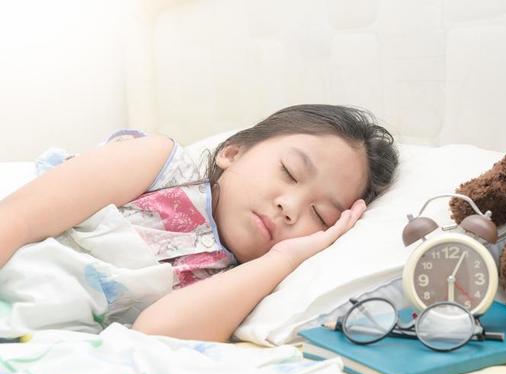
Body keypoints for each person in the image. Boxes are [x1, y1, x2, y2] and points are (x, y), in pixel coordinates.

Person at [0, 104, 398, 342]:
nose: (290, 206)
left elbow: (153, 336)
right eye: (290, 172)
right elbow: (16, 217)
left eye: (321, 215)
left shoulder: (236, 282)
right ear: (232, 152)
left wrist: (283, 259)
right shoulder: (159, 165)